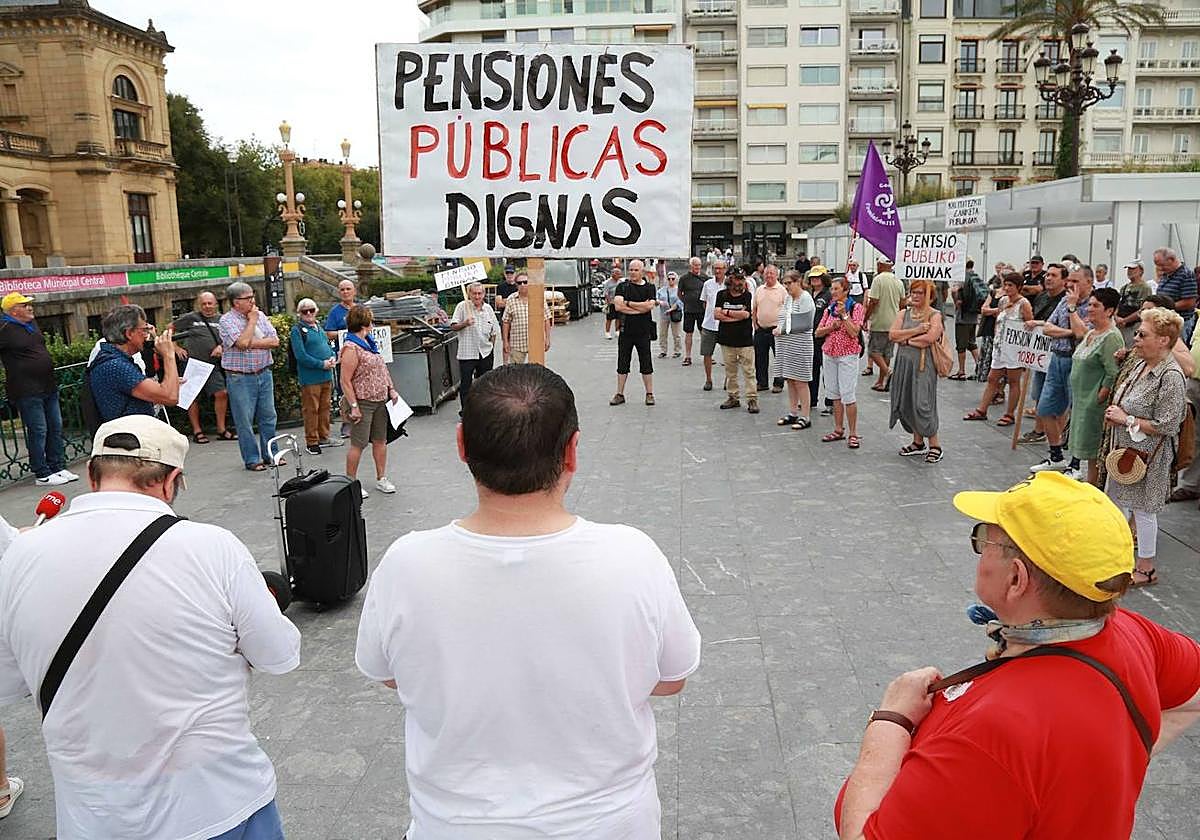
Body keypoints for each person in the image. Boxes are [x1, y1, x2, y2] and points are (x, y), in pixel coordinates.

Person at [355, 364, 701, 840]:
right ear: (573, 451)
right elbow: (670, 679)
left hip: (454, 826)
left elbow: (390, 674)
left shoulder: (406, 563)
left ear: (461, 445)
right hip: (609, 823)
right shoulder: (633, 555)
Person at [834, 470, 1200, 840]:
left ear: (1016, 579)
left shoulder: (988, 736)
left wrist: (890, 720)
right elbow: (1193, 693)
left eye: (984, 540)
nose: (979, 550)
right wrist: (1115, 765)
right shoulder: (1134, 633)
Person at [0, 414, 301, 839]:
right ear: (171, 479)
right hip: (215, 802)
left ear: (91, 474)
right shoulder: (213, 547)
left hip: (95, 813)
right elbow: (279, 655)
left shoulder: (20, 555)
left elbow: (8, 684)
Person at [1103, 306, 1188, 587]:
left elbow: (1168, 424)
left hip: (1148, 455)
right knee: (1118, 505)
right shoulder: (1141, 365)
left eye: (1142, 334)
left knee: (1143, 510)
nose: (1135, 338)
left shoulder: (1171, 376)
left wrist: (1125, 418)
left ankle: (1146, 567)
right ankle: (1118, 559)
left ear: (1163, 340)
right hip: (1125, 451)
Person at [0, 292, 77, 486]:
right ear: (13, 310)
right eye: (24, 305)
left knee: (55, 426)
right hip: (26, 389)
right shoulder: (4, 328)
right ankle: (42, 473)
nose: (29, 307)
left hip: (48, 386)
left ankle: (57, 466)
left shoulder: (31, 324)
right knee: (39, 430)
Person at [1029, 266, 1094, 474]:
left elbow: (1083, 334)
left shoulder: (1093, 305)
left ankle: (1075, 463)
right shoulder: (1064, 301)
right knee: (1045, 409)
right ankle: (1056, 455)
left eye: (1075, 281)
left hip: (1077, 362)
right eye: (1070, 281)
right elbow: (1048, 328)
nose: (1070, 285)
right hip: (1057, 359)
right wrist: (1069, 332)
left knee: (1076, 413)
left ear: (1088, 283)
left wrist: (1073, 310)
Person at [339, 305, 402, 498]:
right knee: (358, 444)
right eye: (371, 320)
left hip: (380, 400)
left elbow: (381, 370)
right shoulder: (351, 347)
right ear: (364, 323)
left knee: (380, 440)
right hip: (363, 401)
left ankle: (381, 478)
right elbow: (345, 380)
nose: (373, 324)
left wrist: (390, 388)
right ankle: (351, 481)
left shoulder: (369, 343)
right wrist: (354, 406)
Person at [218, 283, 279, 472]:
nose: (253, 301)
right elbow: (242, 343)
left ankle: (271, 454)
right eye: (248, 298)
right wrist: (251, 322)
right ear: (236, 302)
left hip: (263, 372)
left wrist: (252, 341)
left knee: (269, 416)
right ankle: (252, 459)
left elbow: (274, 341)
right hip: (240, 377)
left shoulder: (261, 316)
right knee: (244, 420)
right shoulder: (227, 321)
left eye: (252, 296)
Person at [1067, 287, 1123, 485]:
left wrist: (1101, 395)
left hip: (1094, 403)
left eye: (1096, 305)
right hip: (1082, 400)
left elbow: (1113, 371)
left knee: (1095, 453)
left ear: (1109, 311)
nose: (1090, 309)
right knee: (1089, 453)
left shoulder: (1111, 337)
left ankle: (1094, 491)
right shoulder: (1091, 332)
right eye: (1089, 304)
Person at [89, 304, 180, 423]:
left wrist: (170, 381)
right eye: (144, 330)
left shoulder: (116, 360)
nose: (147, 335)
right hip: (130, 437)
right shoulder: (116, 366)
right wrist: (169, 355)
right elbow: (170, 397)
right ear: (129, 333)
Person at [964, 273, 1032, 426]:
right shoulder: (1002, 301)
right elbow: (998, 321)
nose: (1007, 288)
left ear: (1019, 287)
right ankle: (982, 410)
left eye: (1011, 285)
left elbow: (1029, 325)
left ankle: (1009, 414)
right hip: (1000, 347)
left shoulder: (1024, 304)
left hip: (1014, 348)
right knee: (992, 378)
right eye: (1005, 285)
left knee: (1013, 381)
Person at [888, 280, 945, 464]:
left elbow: (929, 338)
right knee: (907, 400)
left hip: (923, 364)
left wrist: (906, 341)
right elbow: (892, 334)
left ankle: (935, 445)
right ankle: (917, 442)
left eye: (921, 292)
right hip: (904, 363)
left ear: (929, 295)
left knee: (923, 402)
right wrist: (916, 331)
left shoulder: (934, 315)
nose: (916, 295)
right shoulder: (904, 313)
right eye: (914, 292)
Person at [170, 291, 233, 445]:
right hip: (192, 364)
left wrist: (221, 346)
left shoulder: (222, 320)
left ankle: (221, 429)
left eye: (210, 303)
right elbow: (169, 329)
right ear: (199, 304)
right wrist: (175, 347)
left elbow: (231, 338)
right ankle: (197, 431)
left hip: (212, 365)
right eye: (204, 303)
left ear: (216, 304)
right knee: (192, 397)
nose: (207, 306)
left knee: (222, 393)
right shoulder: (191, 318)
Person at [815, 277, 866, 448]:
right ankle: (838, 429)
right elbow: (818, 332)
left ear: (846, 290)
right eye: (832, 288)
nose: (833, 291)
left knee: (848, 395)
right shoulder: (829, 309)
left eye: (837, 289)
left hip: (847, 355)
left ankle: (853, 433)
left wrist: (845, 316)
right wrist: (831, 327)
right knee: (834, 394)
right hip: (829, 354)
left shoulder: (856, 308)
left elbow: (854, 332)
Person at [291, 298, 338, 456]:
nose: (309, 313)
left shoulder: (319, 327)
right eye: (305, 311)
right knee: (311, 409)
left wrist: (332, 357)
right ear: (300, 313)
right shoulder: (297, 330)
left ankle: (324, 436)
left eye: (311, 310)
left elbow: (328, 346)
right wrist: (321, 364)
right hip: (310, 377)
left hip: (326, 374)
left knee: (325, 407)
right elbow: (301, 356)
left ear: (316, 310)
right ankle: (312, 441)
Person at [609, 259, 657, 406]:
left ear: (642, 271)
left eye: (636, 270)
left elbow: (649, 306)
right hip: (626, 331)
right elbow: (618, 306)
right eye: (630, 269)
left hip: (643, 331)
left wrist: (628, 304)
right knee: (622, 363)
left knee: (646, 363)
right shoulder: (622, 286)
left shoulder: (650, 287)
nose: (632, 272)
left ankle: (649, 393)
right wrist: (639, 308)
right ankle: (620, 393)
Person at [773, 270, 814, 430]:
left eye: (789, 283)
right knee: (790, 378)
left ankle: (805, 415)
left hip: (801, 345)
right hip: (787, 345)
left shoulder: (806, 299)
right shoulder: (789, 299)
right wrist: (778, 328)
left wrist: (781, 330)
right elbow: (783, 318)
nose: (787, 286)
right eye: (785, 283)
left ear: (798, 282)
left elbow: (805, 323)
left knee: (801, 381)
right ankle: (793, 411)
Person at [450, 282, 499, 411]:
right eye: (474, 293)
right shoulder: (462, 306)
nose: (477, 296)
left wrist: (491, 348)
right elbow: (453, 326)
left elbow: (494, 332)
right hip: (467, 353)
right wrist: (465, 323)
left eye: (479, 293)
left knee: (485, 383)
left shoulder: (488, 308)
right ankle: (466, 411)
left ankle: (484, 409)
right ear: (469, 294)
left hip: (485, 352)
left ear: (483, 294)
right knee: (466, 384)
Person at [715, 270, 756, 413]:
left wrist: (725, 313)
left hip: (745, 340)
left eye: (741, 281)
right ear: (730, 283)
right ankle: (733, 397)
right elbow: (716, 314)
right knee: (730, 371)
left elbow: (746, 314)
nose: (740, 285)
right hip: (727, 340)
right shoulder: (721, 295)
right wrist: (735, 316)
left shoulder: (747, 296)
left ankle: (751, 398)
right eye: (736, 282)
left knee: (749, 371)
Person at [864, 257, 904, 392]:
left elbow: (873, 301)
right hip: (894, 322)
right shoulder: (898, 281)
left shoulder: (878, 279)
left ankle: (888, 372)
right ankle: (881, 381)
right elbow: (903, 303)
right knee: (886, 353)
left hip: (880, 321)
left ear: (880, 265)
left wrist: (865, 318)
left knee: (874, 351)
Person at [501, 272, 552, 365]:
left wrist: (547, 338)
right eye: (519, 283)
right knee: (516, 374)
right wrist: (505, 341)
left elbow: (546, 319)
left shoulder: (539, 298)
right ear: (516, 285)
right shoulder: (511, 299)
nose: (523, 285)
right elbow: (506, 322)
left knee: (536, 373)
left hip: (536, 343)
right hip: (517, 343)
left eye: (525, 282)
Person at [751, 264, 786, 393]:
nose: (769, 276)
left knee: (779, 358)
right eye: (767, 273)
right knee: (760, 358)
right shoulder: (759, 290)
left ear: (776, 275)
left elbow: (787, 310)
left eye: (772, 273)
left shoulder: (782, 290)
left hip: (777, 330)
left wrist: (782, 327)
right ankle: (762, 382)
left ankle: (778, 383)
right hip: (761, 329)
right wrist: (755, 324)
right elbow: (754, 309)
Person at [1152, 247, 1197, 345]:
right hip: (1166, 321)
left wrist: (1166, 306)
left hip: (1180, 324)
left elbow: (1190, 302)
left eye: (1162, 265)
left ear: (1171, 260)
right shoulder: (1166, 274)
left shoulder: (1186, 275)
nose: (1160, 268)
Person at [951, 259, 985, 379]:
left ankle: (961, 370)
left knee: (961, 345)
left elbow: (955, 291)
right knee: (971, 343)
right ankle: (979, 366)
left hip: (963, 317)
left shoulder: (962, 278)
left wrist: (955, 299)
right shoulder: (976, 276)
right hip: (973, 316)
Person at [698, 260, 729, 392]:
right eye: (715, 268)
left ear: (725, 269)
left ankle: (728, 380)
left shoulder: (729, 285)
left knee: (729, 354)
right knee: (707, 353)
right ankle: (708, 379)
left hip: (726, 324)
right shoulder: (707, 284)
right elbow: (704, 303)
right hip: (709, 324)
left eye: (720, 268)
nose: (717, 271)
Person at [808, 266, 834, 415]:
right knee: (812, 370)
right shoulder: (809, 294)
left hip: (824, 338)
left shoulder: (828, 295)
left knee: (827, 372)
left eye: (818, 277)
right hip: (811, 338)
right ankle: (811, 399)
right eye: (812, 277)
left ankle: (830, 402)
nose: (814, 279)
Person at [975, 264, 1007, 382]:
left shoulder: (1011, 296)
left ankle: (999, 390)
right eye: (1003, 279)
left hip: (1001, 332)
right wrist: (996, 311)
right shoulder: (994, 292)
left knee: (999, 361)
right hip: (988, 329)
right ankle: (990, 383)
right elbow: (984, 309)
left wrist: (993, 311)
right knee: (987, 357)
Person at [677, 257, 707, 366]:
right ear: (691, 266)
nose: (697, 267)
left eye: (699, 265)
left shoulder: (704, 277)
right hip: (689, 309)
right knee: (688, 333)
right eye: (695, 265)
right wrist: (686, 301)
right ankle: (688, 356)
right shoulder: (684, 278)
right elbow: (679, 293)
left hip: (701, 309)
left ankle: (707, 355)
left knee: (703, 332)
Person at [1116, 260, 1153, 346]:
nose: (1129, 271)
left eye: (1132, 269)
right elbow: (1117, 304)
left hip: (1134, 325)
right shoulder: (1124, 288)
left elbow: (1143, 309)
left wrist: (1125, 320)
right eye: (1128, 269)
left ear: (1141, 271)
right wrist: (1116, 317)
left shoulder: (1145, 288)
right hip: (1121, 325)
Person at [656, 270, 683, 359]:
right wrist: (660, 302)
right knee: (662, 333)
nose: (671, 280)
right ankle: (663, 350)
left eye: (673, 278)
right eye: (669, 279)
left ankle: (677, 350)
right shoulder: (662, 290)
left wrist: (671, 309)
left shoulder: (679, 290)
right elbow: (655, 300)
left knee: (676, 334)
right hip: (664, 314)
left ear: (676, 279)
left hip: (674, 314)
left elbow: (680, 302)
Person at [602, 266, 623, 340]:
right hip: (611, 303)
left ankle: (617, 330)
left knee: (618, 318)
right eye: (618, 274)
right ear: (613, 275)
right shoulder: (608, 283)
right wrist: (609, 301)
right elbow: (606, 293)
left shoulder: (620, 282)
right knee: (609, 318)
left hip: (619, 302)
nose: (619, 275)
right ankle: (607, 332)